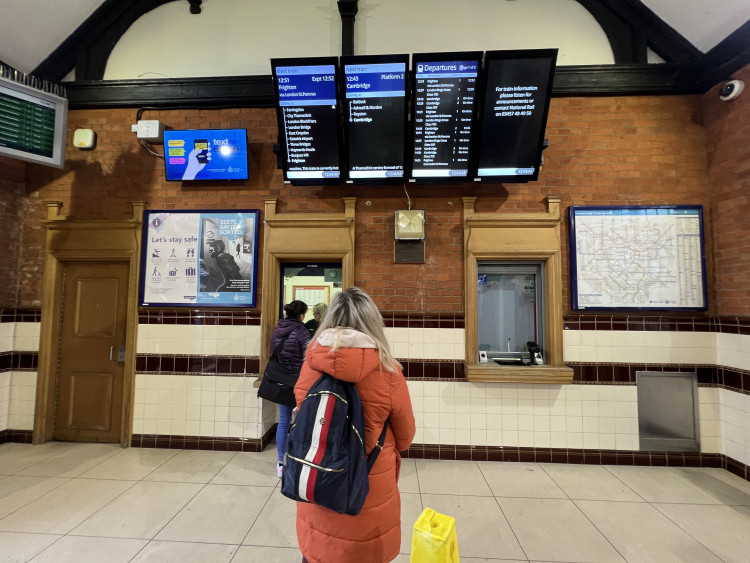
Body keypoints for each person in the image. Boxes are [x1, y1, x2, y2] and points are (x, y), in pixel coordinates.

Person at [294, 287, 415, 563]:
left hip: (319, 477)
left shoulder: (311, 363)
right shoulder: (388, 371)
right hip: (369, 485)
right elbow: (406, 435)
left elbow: (301, 410)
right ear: (373, 322)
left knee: (320, 551)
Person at [270, 300, 311, 478]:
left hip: (281, 380)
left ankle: (281, 463)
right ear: (301, 315)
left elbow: (273, 353)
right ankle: (300, 460)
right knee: (302, 421)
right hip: (299, 381)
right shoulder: (302, 331)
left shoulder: (278, 329)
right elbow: (309, 357)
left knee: (284, 421)